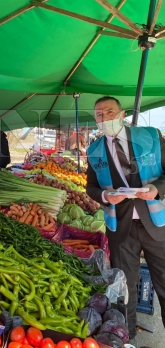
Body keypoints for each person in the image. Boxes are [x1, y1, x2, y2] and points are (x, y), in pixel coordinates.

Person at [86, 96, 165, 346]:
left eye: (109, 112)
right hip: (120, 229)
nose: (104, 117)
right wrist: (104, 195)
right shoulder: (94, 150)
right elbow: (90, 187)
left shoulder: (151, 137)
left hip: (157, 224)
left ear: (122, 114)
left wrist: (157, 189)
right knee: (125, 291)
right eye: (99, 114)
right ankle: (126, 338)